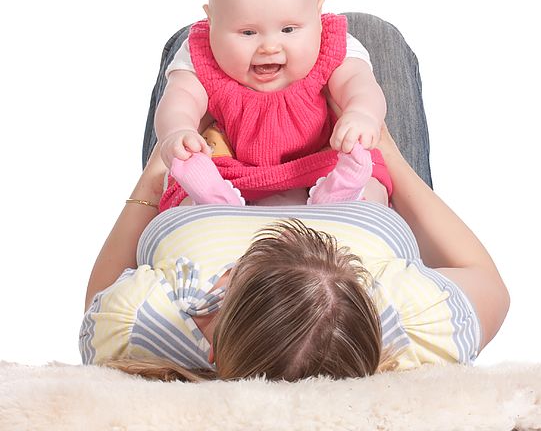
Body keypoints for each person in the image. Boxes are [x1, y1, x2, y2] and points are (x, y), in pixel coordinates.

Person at [81, 121, 509, 382]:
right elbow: (480, 275)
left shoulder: (150, 322)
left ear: (212, 345)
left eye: (236, 267)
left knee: (204, 49)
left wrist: (151, 180)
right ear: (368, 297)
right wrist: (393, 160)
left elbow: (96, 308)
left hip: (198, 180)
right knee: (369, 40)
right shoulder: (412, 320)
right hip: (352, 170)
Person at [155, 0, 392, 211]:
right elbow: (180, 96)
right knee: (185, 174)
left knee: (371, 172)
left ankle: (343, 196)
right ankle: (210, 202)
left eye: (289, 29)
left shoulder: (332, 44)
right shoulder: (200, 52)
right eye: (247, 32)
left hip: (320, 160)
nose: (269, 46)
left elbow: (359, 82)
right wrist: (178, 130)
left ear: (317, 16)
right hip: (231, 169)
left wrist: (362, 113)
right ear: (212, 22)